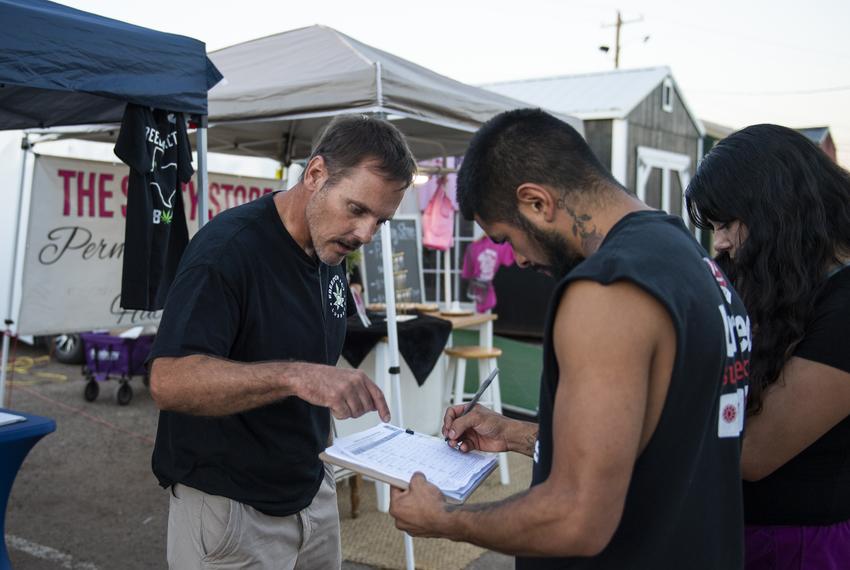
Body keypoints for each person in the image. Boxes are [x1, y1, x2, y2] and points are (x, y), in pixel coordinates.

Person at [388, 108, 752, 569]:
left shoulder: (606, 289)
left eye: (505, 238)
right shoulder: (692, 261)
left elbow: (576, 518)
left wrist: (445, 518)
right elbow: (658, 441)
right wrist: (515, 434)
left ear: (537, 203)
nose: (516, 260)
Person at [147, 115, 417, 569]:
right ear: (315, 175)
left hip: (311, 492)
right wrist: (295, 376)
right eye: (357, 210)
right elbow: (167, 380)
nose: (366, 235)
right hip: (231, 509)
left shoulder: (330, 247)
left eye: (380, 221)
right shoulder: (228, 250)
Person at [685, 124, 850, 569]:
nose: (718, 242)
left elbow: (751, 452)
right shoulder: (782, 284)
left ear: (779, 209)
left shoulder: (843, 303)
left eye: (726, 223)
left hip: (800, 547)